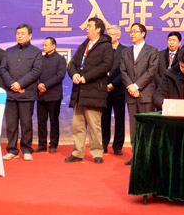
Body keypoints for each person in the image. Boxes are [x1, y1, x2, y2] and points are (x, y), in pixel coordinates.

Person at [66, 18, 113, 164]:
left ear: (98, 29)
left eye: (89, 26)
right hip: (79, 91)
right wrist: (74, 74)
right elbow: (72, 63)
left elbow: (106, 65)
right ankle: (77, 152)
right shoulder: (84, 44)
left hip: (94, 91)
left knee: (94, 125)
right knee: (78, 126)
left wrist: (86, 77)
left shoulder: (106, 46)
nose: (86, 29)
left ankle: (97, 152)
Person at [0, 24, 43, 162]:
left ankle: (27, 150)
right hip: (11, 93)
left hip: (27, 94)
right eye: (18, 33)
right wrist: (12, 84)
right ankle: (12, 150)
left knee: (26, 124)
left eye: (23, 33)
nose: (19, 36)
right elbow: (3, 69)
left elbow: (36, 71)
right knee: (11, 124)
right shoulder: (9, 51)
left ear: (30, 35)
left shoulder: (36, 52)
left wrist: (20, 84)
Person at [120, 22, 159, 165]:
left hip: (145, 94)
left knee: (147, 126)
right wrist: (131, 87)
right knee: (134, 127)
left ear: (143, 34)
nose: (132, 34)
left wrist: (137, 86)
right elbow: (123, 71)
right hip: (131, 94)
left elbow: (152, 71)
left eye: (135, 31)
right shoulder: (125, 52)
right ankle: (136, 155)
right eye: (131, 32)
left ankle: (148, 156)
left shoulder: (152, 51)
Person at [35, 37, 67, 153]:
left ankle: (53, 144)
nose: (44, 47)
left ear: (53, 46)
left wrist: (45, 85)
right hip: (40, 95)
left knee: (54, 121)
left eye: (46, 45)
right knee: (41, 122)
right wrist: (39, 85)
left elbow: (60, 76)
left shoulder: (60, 59)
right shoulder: (40, 59)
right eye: (43, 45)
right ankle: (42, 144)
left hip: (54, 95)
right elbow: (35, 73)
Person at [101, 25, 127, 155]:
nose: (108, 36)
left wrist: (113, 84)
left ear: (118, 36)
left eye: (111, 34)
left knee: (119, 118)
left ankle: (117, 146)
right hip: (103, 89)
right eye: (107, 34)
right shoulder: (102, 49)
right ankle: (103, 144)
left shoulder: (125, 51)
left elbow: (124, 70)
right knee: (104, 118)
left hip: (119, 89)